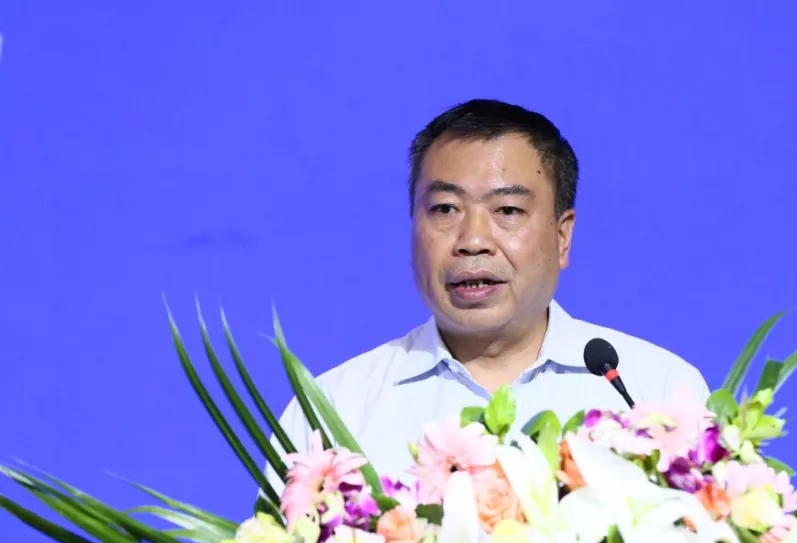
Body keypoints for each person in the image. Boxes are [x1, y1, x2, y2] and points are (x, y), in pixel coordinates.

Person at [267, 99, 708, 492]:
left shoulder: (656, 394)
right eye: (445, 209)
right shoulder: (334, 410)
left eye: (507, 210)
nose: (473, 240)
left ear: (562, 237)